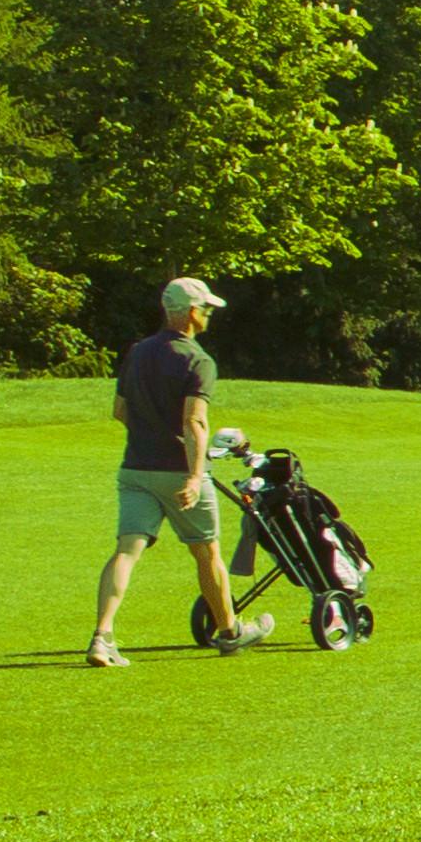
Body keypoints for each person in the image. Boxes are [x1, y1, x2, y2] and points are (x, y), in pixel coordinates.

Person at [89, 275, 259, 668]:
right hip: (179, 473)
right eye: (207, 309)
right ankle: (230, 632)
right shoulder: (197, 360)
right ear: (191, 313)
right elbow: (195, 423)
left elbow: (119, 410)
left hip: (135, 469)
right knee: (207, 552)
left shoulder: (137, 352)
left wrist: (149, 434)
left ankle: (102, 637)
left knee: (126, 552)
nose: (210, 315)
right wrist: (196, 476)